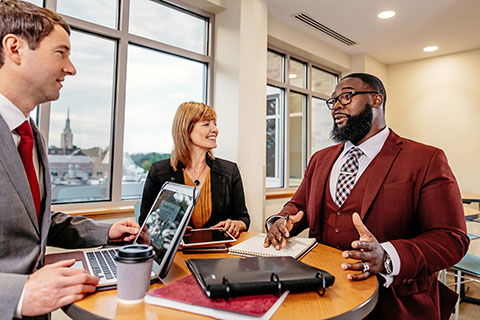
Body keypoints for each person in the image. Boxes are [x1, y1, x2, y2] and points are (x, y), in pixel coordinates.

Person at [264, 73, 469, 319]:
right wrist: (280, 221)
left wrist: (386, 257)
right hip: (321, 295)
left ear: (376, 99)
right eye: (333, 100)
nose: (337, 105)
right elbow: (299, 205)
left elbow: (451, 238)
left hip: (393, 304)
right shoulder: (321, 158)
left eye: (346, 96)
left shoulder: (426, 159)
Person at [0, 1, 140, 318]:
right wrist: (16, 294)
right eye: (60, 53)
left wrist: (104, 232)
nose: (71, 68)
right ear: (15, 48)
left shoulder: (29, 134)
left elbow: (34, 223)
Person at [139, 102, 250, 237]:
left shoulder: (230, 171)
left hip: (219, 254)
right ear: (186, 129)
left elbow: (243, 218)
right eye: (206, 124)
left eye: (215, 124)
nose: (215, 129)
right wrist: (168, 231)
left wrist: (235, 224)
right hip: (175, 254)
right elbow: (145, 223)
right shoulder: (159, 172)